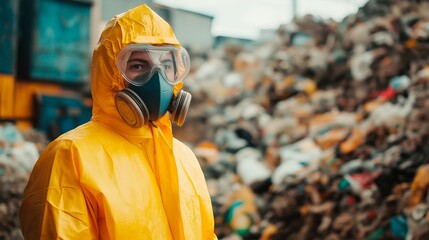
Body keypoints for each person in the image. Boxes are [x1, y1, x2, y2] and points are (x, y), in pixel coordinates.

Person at [19, 4, 217, 240]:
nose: (157, 79)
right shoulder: (70, 157)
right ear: (110, 73)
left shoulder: (185, 159)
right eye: (137, 66)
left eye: (166, 65)